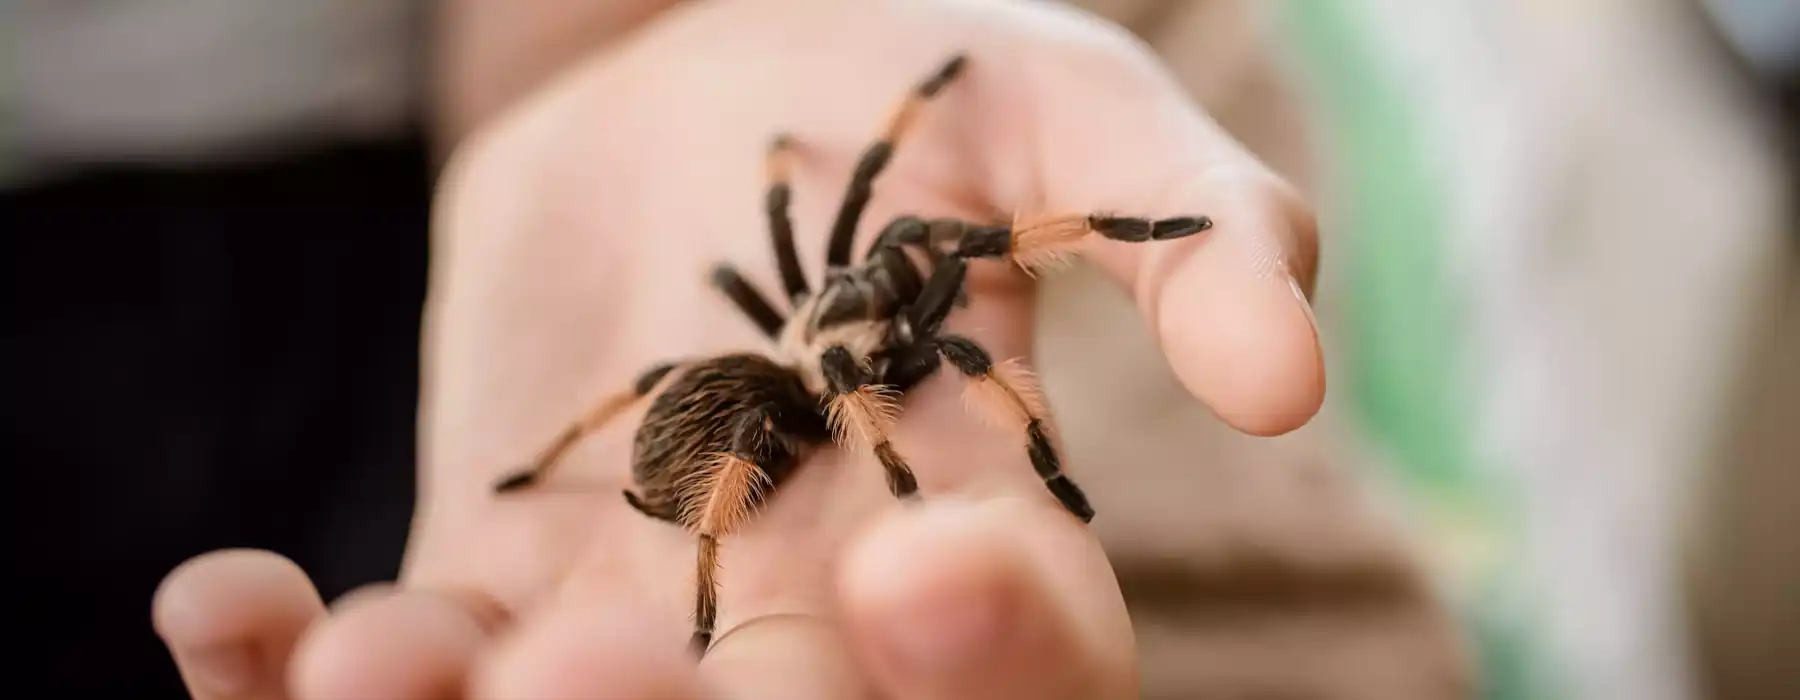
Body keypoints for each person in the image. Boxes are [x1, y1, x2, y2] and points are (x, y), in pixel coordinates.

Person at [150, 2, 1324, 698]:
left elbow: (872, 211)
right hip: (746, 411)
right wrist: (901, 478)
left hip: (390, 177)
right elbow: (892, 373)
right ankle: (674, 562)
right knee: (917, 365)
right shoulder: (864, 373)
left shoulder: (835, 290)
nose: (896, 271)